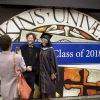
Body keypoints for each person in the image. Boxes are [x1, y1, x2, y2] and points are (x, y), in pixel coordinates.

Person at [0, 35, 26, 100]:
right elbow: (24, 69)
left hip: (3, 89)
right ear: (10, 44)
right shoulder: (18, 57)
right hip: (15, 90)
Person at [16, 33, 40, 100]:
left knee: (31, 88)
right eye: (29, 38)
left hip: (32, 73)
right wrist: (25, 67)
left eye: (31, 38)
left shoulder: (38, 50)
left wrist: (32, 68)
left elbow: (38, 62)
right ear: (27, 39)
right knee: (23, 89)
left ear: (34, 40)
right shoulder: (21, 48)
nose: (30, 39)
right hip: (23, 72)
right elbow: (18, 60)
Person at [39, 32, 58, 100]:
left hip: (48, 71)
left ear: (48, 41)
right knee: (42, 89)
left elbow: (53, 61)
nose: (44, 40)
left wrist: (53, 72)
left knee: (48, 88)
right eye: (43, 39)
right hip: (41, 71)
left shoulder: (50, 49)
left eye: (45, 39)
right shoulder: (40, 49)